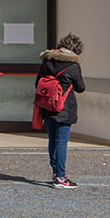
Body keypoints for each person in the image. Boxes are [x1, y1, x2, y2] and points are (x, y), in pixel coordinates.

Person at [36, 33, 85, 188]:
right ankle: (61, 177)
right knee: (61, 142)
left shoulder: (47, 61)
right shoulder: (73, 65)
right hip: (64, 108)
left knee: (52, 140)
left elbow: (37, 83)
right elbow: (80, 87)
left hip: (47, 106)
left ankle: (55, 172)